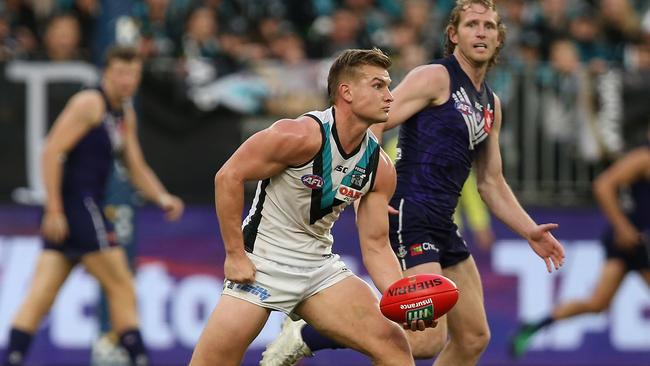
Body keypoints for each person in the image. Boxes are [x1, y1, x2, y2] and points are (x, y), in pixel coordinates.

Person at [261, 1, 565, 366]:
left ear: (500, 38)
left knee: (473, 337)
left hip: (441, 222)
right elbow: (374, 121)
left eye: (489, 25)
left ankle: (316, 328)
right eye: (471, 24)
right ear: (453, 35)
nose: (481, 31)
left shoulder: (491, 104)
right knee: (425, 342)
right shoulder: (436, 77)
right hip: (408, 212)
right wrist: (365, 190)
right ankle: (308, 333)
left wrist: (530, 230)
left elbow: (490, 182)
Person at [189, 48, 430, 366]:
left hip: (318, 269)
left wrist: (403, 297)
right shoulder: (298, 135)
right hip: (262, 263)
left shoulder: (380, 167)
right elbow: (228, 177)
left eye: (388, 85)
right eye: (378, 86)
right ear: (346, 92)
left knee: (395, 347)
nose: (390, 95)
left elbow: (375, 245)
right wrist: (234, 254)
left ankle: (299, 333)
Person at [1, 45, 184, 366]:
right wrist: (55, 209)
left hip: (77, 208)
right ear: (106, 73)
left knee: (40, 296)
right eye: (121, 73)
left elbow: (135, 165)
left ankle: (11, 358)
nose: (128, 81)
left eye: (134, 75)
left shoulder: (124, 113)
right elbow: (51, 152)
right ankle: (140, 360)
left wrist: (162, 197)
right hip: (77, 206)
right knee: (121, 284)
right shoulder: (90, 103)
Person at [509, 135, 650, 359]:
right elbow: (603, 185)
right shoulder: (644, 157)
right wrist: (623, 228)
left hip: (638, 244)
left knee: (597, 303)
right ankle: (533, 327)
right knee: (597, 303)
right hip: (630, 242)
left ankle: (536, 325)